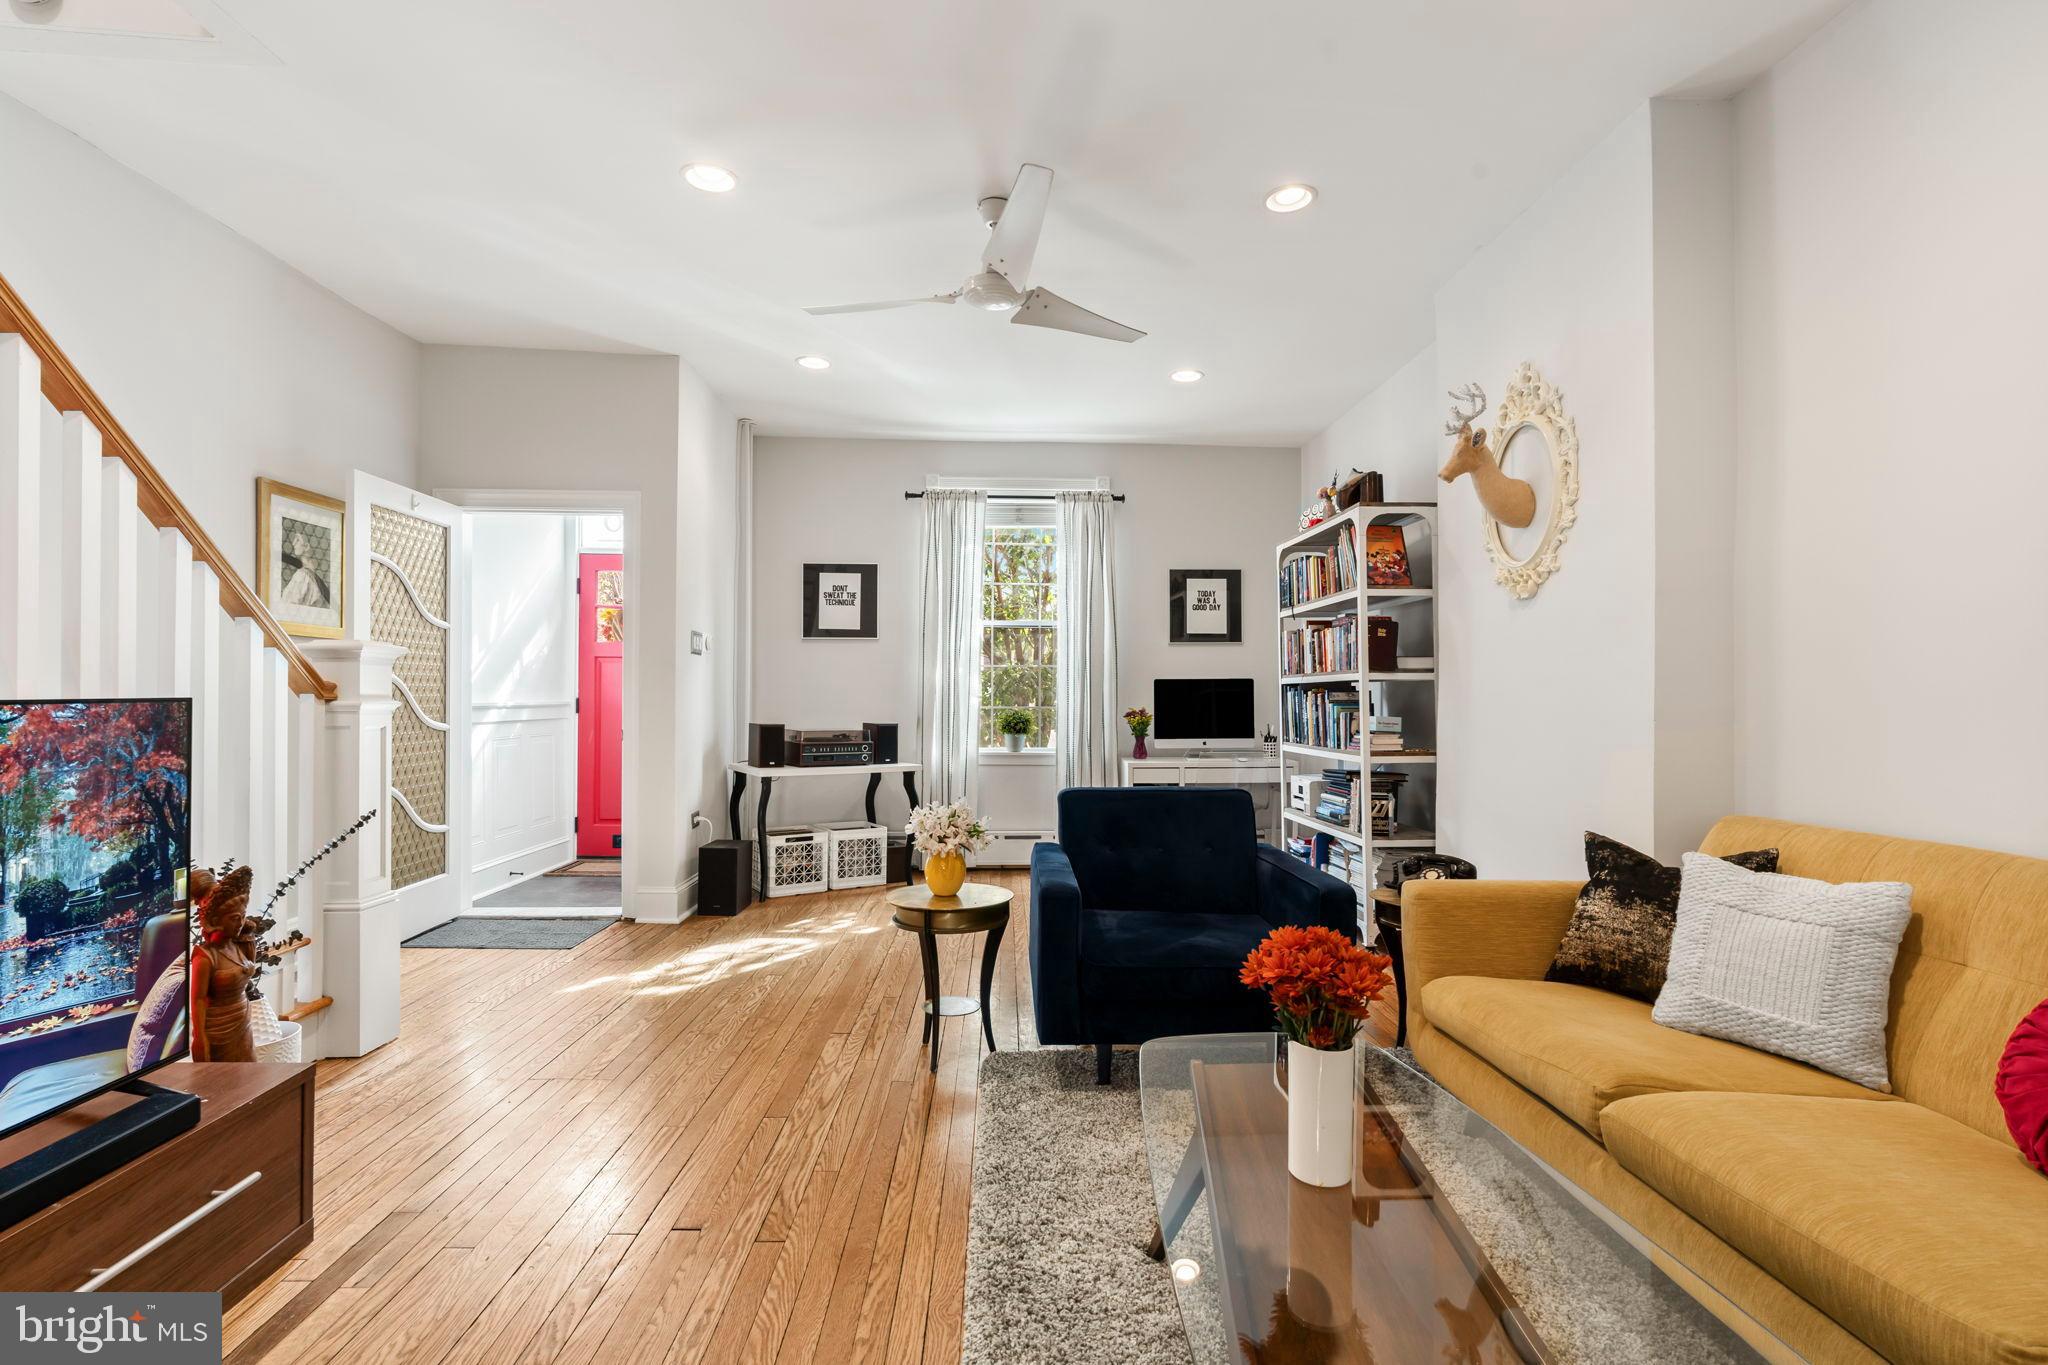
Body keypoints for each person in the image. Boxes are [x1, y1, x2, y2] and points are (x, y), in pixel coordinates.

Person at [188, 866, 257, 1063]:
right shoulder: (205, 957)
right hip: (219, 1029)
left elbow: (250, 965)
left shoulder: (237, 945)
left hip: (242, 1020)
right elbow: (198, 1000)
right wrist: (199, 1038)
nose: (241, 923)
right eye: (235, 919)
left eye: (243, 916)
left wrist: (247, 933)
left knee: (249, 1076)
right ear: (216, 920)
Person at [279, 524, 332, 609]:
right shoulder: (313, 577)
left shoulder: (303, 575)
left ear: (306, 546)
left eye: (298, 540)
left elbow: (289, 604)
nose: (293, 543)